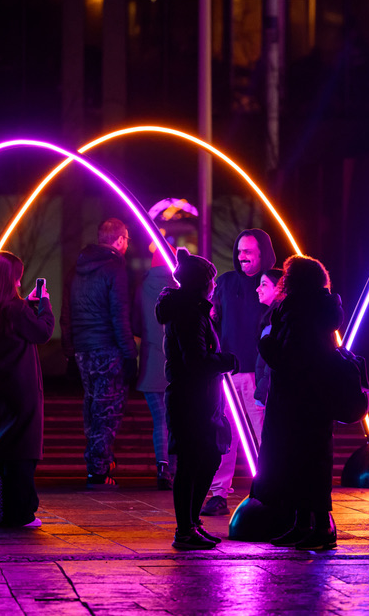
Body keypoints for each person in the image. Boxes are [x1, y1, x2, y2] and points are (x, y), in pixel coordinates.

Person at [256, 255, 344, 551]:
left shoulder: (295, 310)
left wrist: (266, 341)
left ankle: (312, 526)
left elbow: (286, 356)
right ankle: (311, 524)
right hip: (317, 398)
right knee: (313, 461)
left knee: (297, 460)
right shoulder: (322, 308)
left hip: (295, 398)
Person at [156, 248, 237, 550]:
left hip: (199, 398)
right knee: (193, 462)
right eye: (212, 281)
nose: (215, 286)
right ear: (203, 283)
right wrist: (226, 361)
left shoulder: (192, 310)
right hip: (192, 400)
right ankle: (185, 528)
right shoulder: (190, 313)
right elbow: (195, 360)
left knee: (206, 457)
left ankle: (190, 523)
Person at [0, 251, 54, 528]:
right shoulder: (15, 309)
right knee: (21, 449)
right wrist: (43, 305)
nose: (20, 285)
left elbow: (16, 328)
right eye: (17, 279)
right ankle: (20, 513)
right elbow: (42, 332)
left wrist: (27, 306)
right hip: (21, 389)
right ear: (10, 279)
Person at [200, 228, 277, 516]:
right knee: (226, 434)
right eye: (240, 251)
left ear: (262, 255)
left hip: (257, 373)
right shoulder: (226, 282)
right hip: (228, 372)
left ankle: (269, 487)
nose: (242, 256)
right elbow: (214, 318)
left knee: (263, 433)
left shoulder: (269, 284)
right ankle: (219, 492)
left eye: (249, 251)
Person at [62, 218, 138, 488]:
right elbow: (120, 315)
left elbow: (67, 312)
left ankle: (98, 460)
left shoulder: (77, 269)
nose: (127, 244)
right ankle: (98, 469)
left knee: (93, 406)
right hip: (108, 348)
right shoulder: (114, 268)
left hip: (83, 349)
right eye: (126, 239)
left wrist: (70, 350)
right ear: (119, 240)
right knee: (108, 411)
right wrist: (130, 355)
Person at [132, 249, 177, 489]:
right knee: (177, 419)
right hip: (175, 365)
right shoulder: (179, 288)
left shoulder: (142, 288)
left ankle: (162, 466)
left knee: (159, 418)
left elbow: (136, 324)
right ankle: (176, 467)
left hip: (151, 362)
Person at [253, 268, 283, 407]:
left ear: (279, 288)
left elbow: (269, 368)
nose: (258, 289)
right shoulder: (271, 321)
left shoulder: (280, 323)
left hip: (274, 400)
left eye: (264, 284)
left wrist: (262, 395)